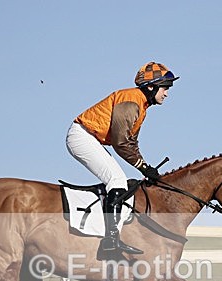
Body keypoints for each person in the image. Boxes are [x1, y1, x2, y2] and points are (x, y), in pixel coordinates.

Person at [66, 61, 178, 255]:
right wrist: (143, 167)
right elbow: (121, 142)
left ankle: (111, 235)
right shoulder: (131, 101)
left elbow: (131, 143)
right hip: (82, 136)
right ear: (151, 87)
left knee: (120, 181)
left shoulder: (141, 105)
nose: (167, 93)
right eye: (165, 88)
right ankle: (110, 239)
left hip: (90, 138)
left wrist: (146, 167)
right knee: (117, 180)